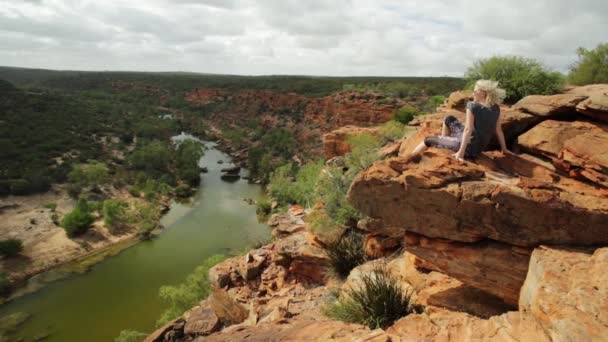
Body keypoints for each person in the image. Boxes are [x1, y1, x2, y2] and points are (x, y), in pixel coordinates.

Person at [411, 79, 513, 161]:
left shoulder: (472, 106)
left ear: (482, 93)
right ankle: (443, 144)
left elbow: (468, 129)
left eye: (475, 91)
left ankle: (409, 158)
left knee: (428, 140)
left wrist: (461, 152)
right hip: (478, 148)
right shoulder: (496, 107)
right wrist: (504, 148)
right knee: (448, 118)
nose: (472, 93)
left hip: (467, 148)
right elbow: (498, 130)